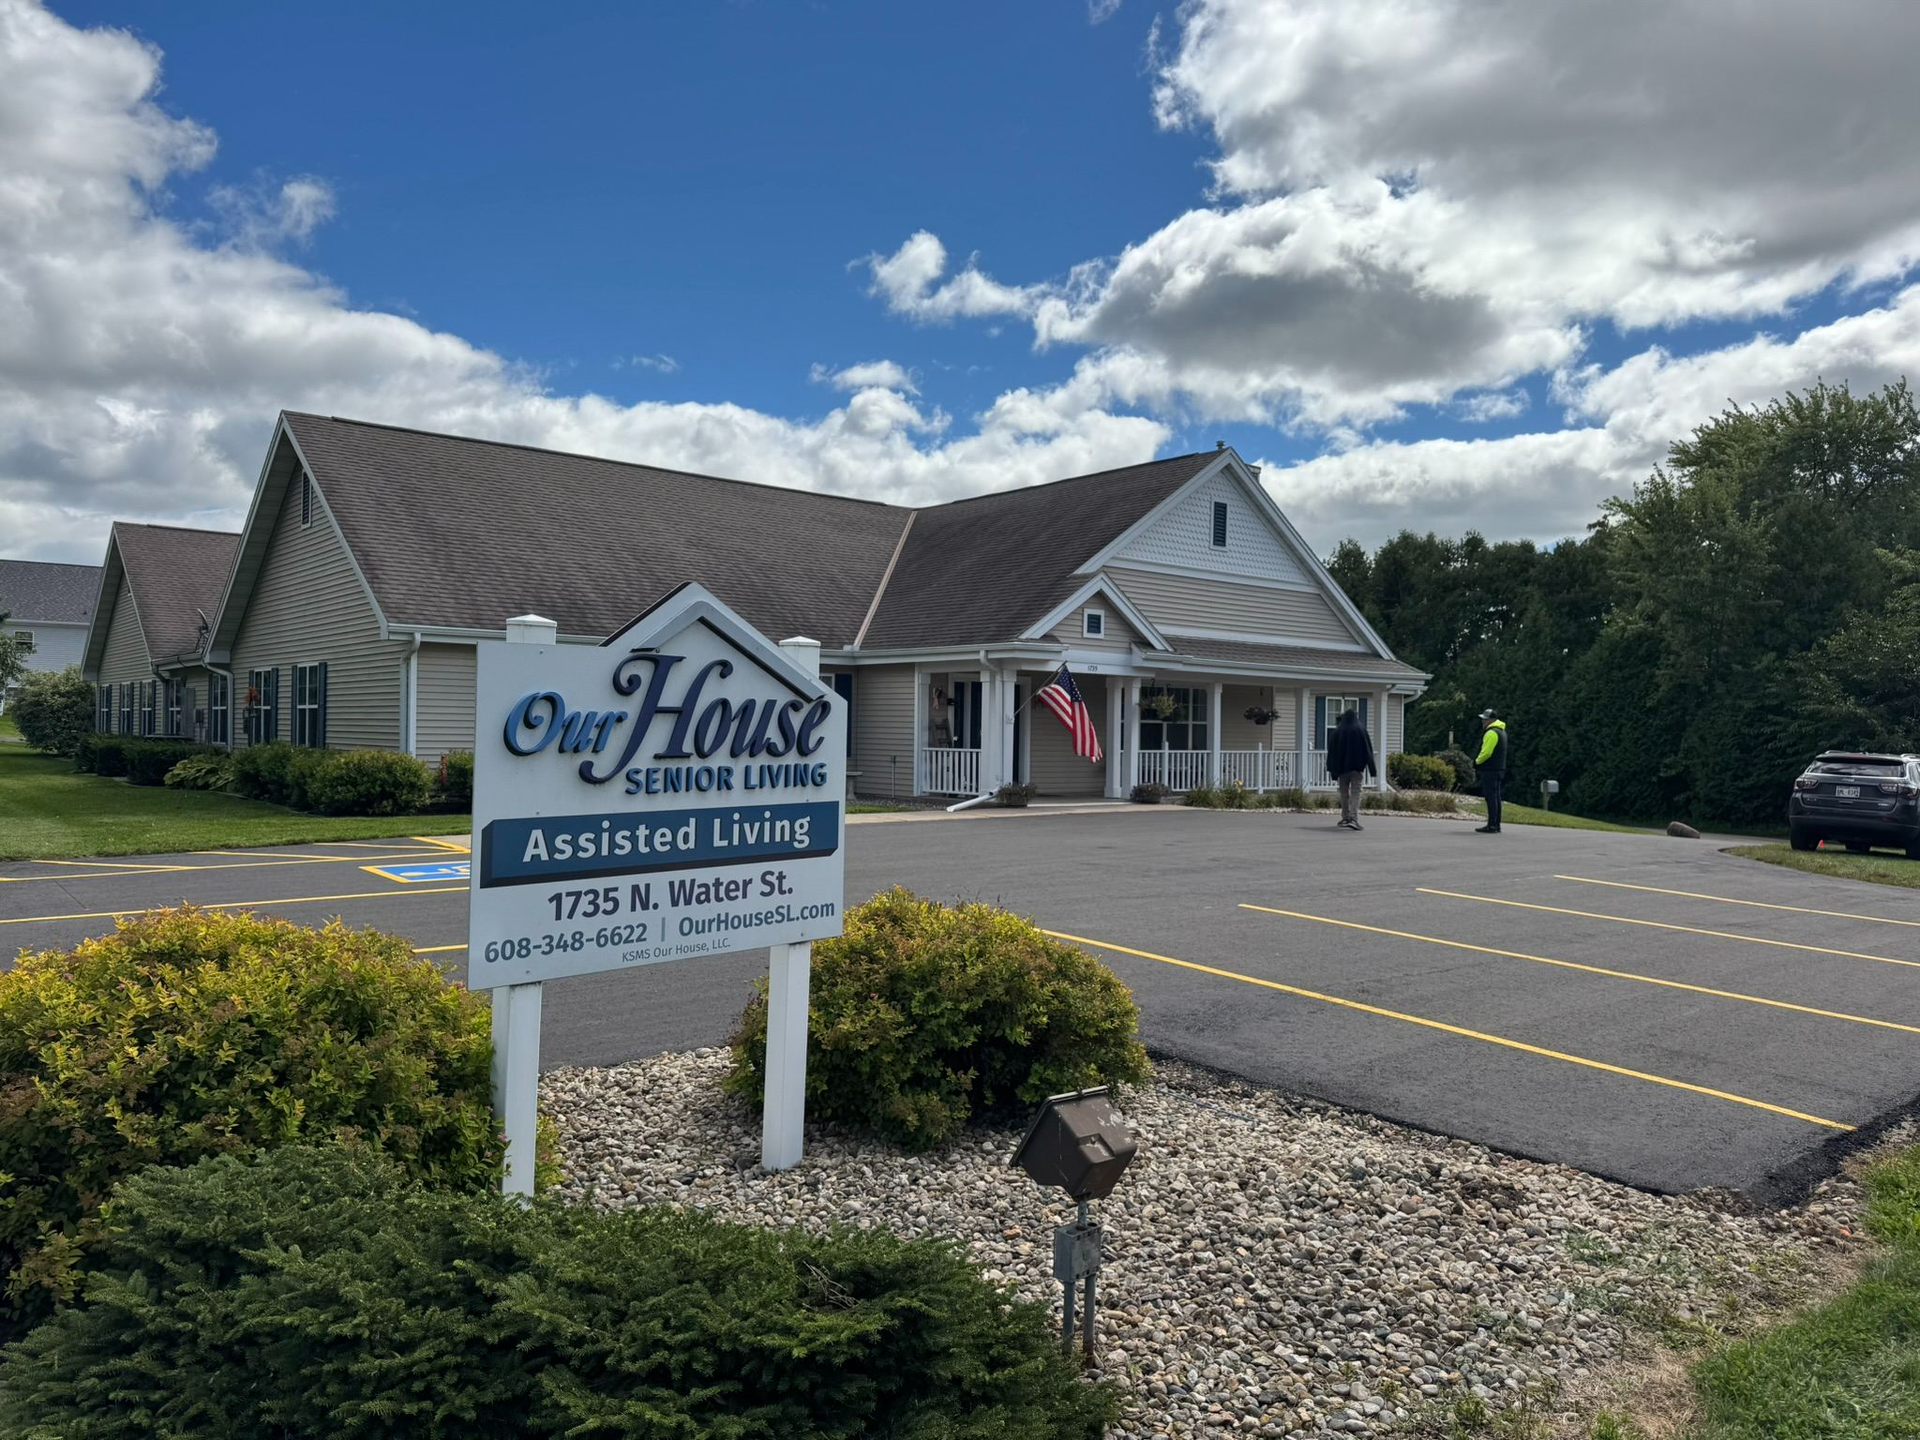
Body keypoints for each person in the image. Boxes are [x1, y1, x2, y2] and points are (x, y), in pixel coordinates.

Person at [1326, 708, 1376, 830]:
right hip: (1357, 768)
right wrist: (1372, 768)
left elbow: (1331, 752)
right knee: (1356, 792)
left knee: (1344, 793)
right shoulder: (1360, 730)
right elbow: (1368, 749)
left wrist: (1332, 770)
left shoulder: (1338, 731)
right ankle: (1353, 818)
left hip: (1342, 769)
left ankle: (1345, 817)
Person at [1474, 708, 1509, 833]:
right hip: (1499, 768)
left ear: (1491, 720)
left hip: (1490, 769)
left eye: (1485, 719)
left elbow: (1486, 752)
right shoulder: (1502, 731)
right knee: (1496, 797)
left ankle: (1492, 825)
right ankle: (1496, 824)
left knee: (1490, 797)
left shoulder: (1491, 733)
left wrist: (1476, 762)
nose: (1483, 722)